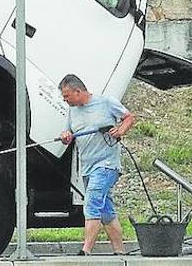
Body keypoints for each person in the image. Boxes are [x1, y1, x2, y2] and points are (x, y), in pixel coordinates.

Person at [59, 73, 135, 256]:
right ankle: (120, 251)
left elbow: (129, 117)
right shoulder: (72, 111)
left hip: (107, 164)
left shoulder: (106, 102)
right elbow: (67, 133)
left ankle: (86, 250)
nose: (65, 100)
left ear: (78, 91)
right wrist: (65, 137)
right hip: (87, 167)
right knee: (106, 210)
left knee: (92, 201)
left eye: (67, 96)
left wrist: (120, 131)